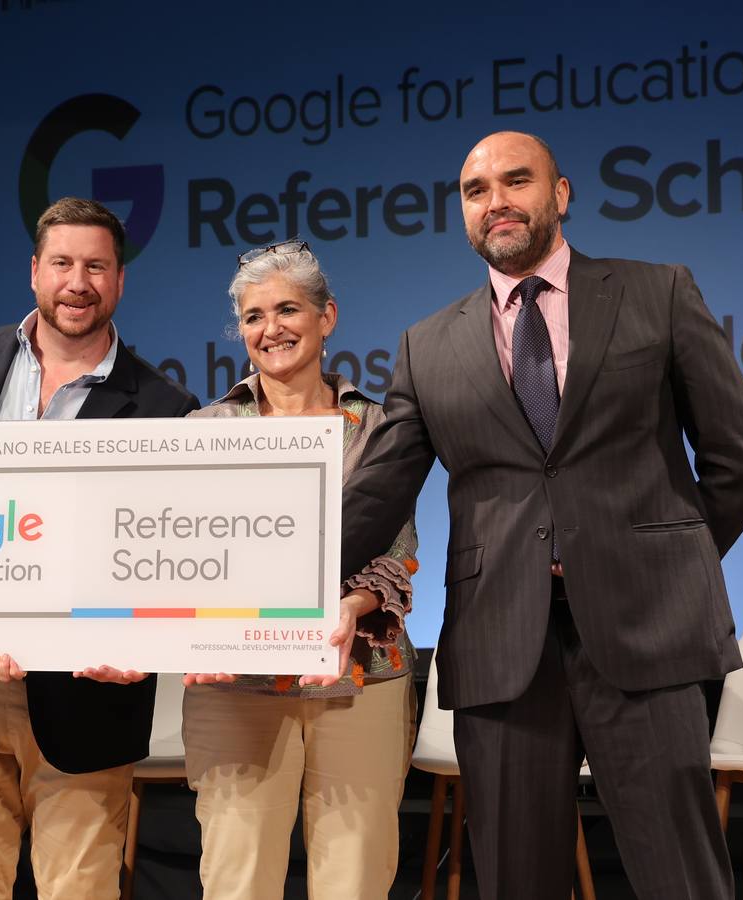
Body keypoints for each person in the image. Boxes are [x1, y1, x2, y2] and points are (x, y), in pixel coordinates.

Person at [339, 131, 743, 899]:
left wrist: (669, 568)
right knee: (517, 881)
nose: (496, 202)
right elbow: (375, 495)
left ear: (561, 194)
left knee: (681, 878)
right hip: (501, 647)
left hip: (648, 632)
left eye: (517, 181)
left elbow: (741, 463)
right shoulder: (427, 345)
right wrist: (261, 586)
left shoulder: (659, 293)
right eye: (476, 190)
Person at [0, 197, 199, 899]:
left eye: (96, 267)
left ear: (120, 280)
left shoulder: (165, 407)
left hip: (85, 702)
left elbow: (175, 558)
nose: (78, 282)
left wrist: (147, 642)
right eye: (63, 263)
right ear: (35, 270)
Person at [182, 240, 418, 900]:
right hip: (236, 686)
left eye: (288, 309)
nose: (272, 329)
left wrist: (349, 608)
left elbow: (398, 551)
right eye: (253, 316)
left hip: (359, 678)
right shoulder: (203, 429)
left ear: (326, 316)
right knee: (237, 878)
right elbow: (181, 558)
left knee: (355, 878)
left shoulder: (376, 426)